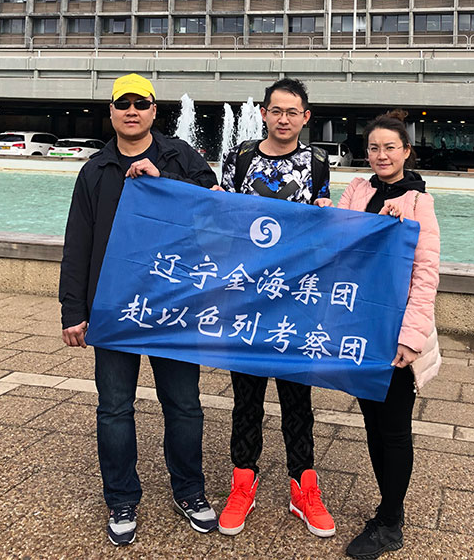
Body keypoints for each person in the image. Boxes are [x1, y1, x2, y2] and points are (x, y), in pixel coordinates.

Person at [59, 73, 218, 546]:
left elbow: (215, 208)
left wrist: (164, 181)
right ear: (111, 112)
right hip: (114, 306)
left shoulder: (181, 157)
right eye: (122, 103)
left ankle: (189, 490)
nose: (132, 111)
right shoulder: (95, 170)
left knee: (184, 405)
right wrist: (72, 309)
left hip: (174, 304)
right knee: (114, 408)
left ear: (154, 111)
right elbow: (78, 243)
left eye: (140, 103)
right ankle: (121, 498)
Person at [214, 77, 336, 539]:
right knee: (246, 397)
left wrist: (327, 213)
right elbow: (222, 220)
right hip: (246, 296)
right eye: (276, 111)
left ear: (306, 117)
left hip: (296, 299)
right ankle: (242, 482)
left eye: (293, 112)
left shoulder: (317, 161)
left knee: (296, 397)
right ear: (264, 113)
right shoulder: (240, 157)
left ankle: (303, 487)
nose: (284, 119)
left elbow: (322, 228)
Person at [337, 113, 441, 560]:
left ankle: (391, 521)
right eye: (374, 148)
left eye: (390, 147)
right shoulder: (357, 190)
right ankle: (386, 508)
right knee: (372, 423)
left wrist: (411, 338)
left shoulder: (419, 202)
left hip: (395, 330)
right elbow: (337, 242)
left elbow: (425, 274)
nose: (381, 155)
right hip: (360, 327)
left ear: (406, 152)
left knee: (395, 428)